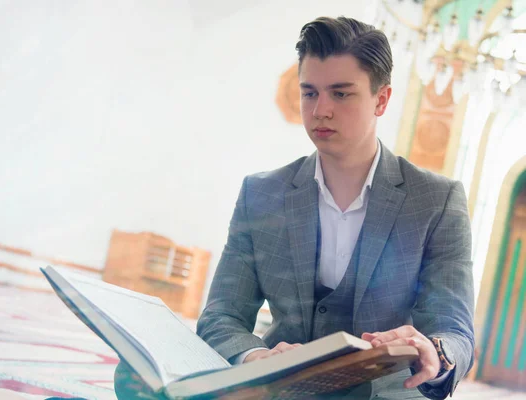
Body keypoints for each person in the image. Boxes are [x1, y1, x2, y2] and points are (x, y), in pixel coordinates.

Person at [195, 16, 474, 400]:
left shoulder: (436, 201)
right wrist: (257, 356)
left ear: (381, 99)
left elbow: (454, 329)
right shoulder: (260, 193)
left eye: (340, 94)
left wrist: (436, 352)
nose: (320, 110)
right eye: (310, 93)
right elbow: (221, 316)